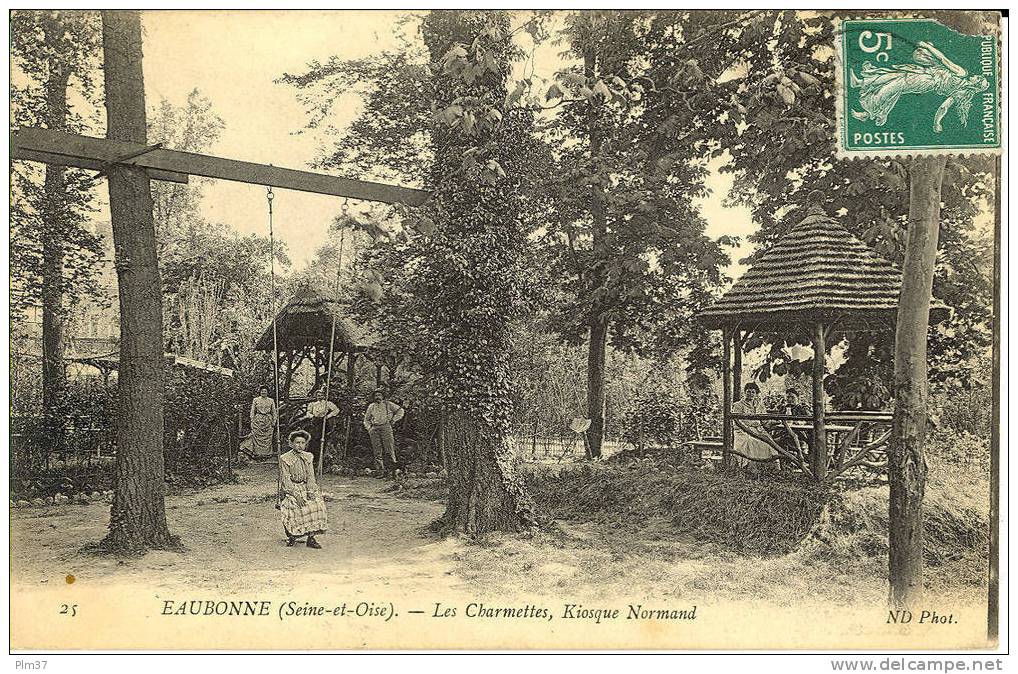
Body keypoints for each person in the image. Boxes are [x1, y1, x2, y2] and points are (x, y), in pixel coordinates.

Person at [278, 429, 328, 549]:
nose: (300, 445)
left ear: (305, 444)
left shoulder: (308, 457)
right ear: (291, 444)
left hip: (305, 486)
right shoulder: (285, 458)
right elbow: (285, 479)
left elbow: (311, 476)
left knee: (317, 505)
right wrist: (296, 495)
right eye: (297, 442)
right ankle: (292, 536)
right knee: (294, 506)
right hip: (291, 488)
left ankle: (311, 538)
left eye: (302, 443)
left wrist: (311, 491)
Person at [730, 382, 777, 470]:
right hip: (742, 430)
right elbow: (737, 422)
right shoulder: (738, 405)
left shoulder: (759, 405)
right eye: (748, 391)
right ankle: (748, 467)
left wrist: (775, 422)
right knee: (749, 441)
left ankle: (765, 468)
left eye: (753, 392)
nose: (750, 394)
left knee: (769, 442)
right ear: (745, 392)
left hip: (758, 429)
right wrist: (749, 426)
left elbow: (765, 420)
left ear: (755, 394)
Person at [363, 389, 404, 478]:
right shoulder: (371, 406)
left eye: (379, 395)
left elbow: (401, 411)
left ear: (382, 396)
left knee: (389, 449)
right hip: (374, 429)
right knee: (377, 450)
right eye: (376, 395)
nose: (377, 397)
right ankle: (380, 472)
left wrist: (394, 420)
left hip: (386, 427)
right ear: (373, 397)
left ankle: (392, 472)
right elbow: (366, 419)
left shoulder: (388, 404)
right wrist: (369, 428)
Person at [298, 388, 340, 470]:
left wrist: (328, 416)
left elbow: (336, 410)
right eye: (318, 395)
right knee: (313, 439)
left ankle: (320, 460)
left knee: (322, 438)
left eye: (321, 395)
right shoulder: (313, 404)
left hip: (323, 422)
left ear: (324, 395)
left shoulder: (327, 403)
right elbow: (308, 412)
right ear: (316, 396)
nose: (319, 396)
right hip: (315, 422)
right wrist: (312, 416)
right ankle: (311, 459)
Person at [248, 385, 277, 459]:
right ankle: (257, 454)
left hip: (268, 420)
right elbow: (252, 411)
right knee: (257, 436)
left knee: (267, 437)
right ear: (260, 392)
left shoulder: (271, 400)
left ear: (267, 392)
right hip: (258, 419)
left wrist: (274, 421)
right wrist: (252, 420)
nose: (263, 392)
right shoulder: (256, 400)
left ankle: (267, 454)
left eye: (265, 391)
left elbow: (274, 412)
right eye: (262, 391)